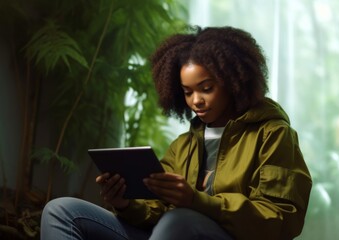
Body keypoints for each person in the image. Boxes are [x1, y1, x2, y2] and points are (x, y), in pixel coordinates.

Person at [41, 26, 312, 240]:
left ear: (233, 82)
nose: (196, 101)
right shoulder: (184, 145)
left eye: (206, 88)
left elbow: (280, 219)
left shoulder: (273, 134)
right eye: (188, 92)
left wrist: (198, 202)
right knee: (62, 210)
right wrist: (124, 204)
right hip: (172, 231)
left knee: (180, 219)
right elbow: (157, 210)